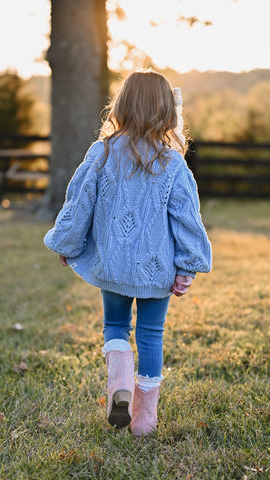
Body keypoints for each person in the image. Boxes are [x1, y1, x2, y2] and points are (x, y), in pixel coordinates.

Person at [44, 70, 212, 436]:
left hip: (112, 264)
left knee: (116, 326)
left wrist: (67, 243)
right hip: (157, 269)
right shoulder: (173, 162)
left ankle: (119, 380)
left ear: (121, 106)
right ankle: (144, 421)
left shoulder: (101, 152)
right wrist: (187, 267)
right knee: (152, 333)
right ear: (168, 111)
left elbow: (79, 201)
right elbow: (187, 219)